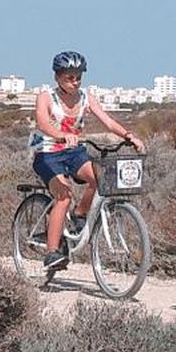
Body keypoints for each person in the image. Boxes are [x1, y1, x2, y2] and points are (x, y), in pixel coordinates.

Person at [29, 51, 144, 275]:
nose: (75, 81)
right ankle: (52, 252)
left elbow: (108, 121)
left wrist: (129, 136)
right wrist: (60, 135)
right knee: (64, 196)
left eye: (78, 76)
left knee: (101, 177)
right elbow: (42, 123)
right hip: (48, 153)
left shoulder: (85, 97)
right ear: (58, 77)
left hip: (74, 152)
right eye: (69, 77)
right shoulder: (46, 97)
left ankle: (80, 215)